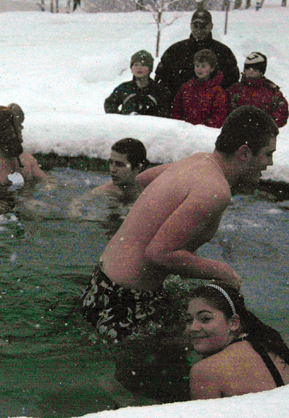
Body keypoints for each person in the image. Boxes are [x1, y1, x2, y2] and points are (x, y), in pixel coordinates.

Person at [81, 106, 278, 343]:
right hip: (127, 303)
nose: (270, 163)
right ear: (244, 153)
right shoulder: (216, 191)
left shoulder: (198, 160)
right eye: (268, 154)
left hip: (101, 285)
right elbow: (159, 253)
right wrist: (222, 271)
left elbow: (139, 181)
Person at [186, 284, 289, 399]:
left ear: (233, 323)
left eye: (205, 319)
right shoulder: (270, 348)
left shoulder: (205, 371)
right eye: (189, 320)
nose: (193, 328)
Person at [154, 9, 239, 110]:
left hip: (212, 114)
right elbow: (161, 81)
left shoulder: (224, 53)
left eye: (203, 26)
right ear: (190, 26)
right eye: (195, 26)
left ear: (211, 27)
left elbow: (232, 84)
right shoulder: (175, 51)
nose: (199, 30)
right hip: (178, 113)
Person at [68, 138, 150, 218]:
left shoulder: (148, 187)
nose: (112, 169)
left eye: (120, 164)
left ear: (138, 167)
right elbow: (76, 205)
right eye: (111, 162)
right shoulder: (107, 190)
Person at [228, 52, 289, 128]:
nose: (251, 71)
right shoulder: (235, 90)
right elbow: (225, 109)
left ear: (261, 71)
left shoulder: (272, 91)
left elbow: (281, 114)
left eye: (255, 69)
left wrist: (265, 124)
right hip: (236, 131)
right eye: (248, 68)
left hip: (263, 133)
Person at [172, 49, 229, 129]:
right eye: (197, 65)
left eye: (203, 66)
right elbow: (176, 108)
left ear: (212, 68)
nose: (199, 69)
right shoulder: (186, 87)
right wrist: (181, 125)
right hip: (183, 132)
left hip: (204, 134)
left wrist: (204, 128)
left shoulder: (217, 91)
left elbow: (219, 115)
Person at [104, 50, 167, 117]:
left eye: (143, 65)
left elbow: (165, 111)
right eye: (136, 65)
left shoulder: (158, 90)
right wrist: (121, 118)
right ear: (131, 68)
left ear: (150, 69)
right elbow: (109, 104)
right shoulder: (124, 88)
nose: (139, 68)